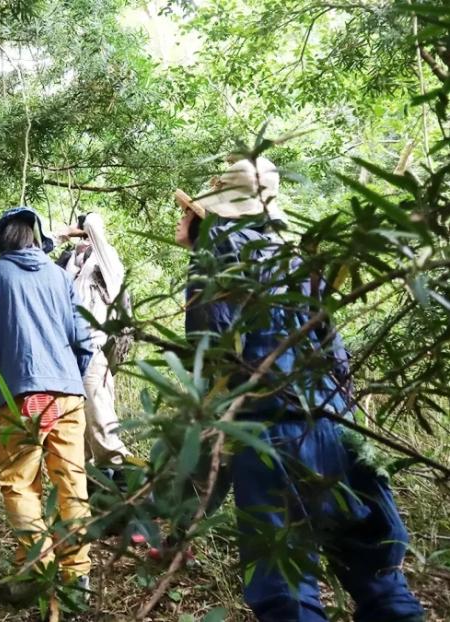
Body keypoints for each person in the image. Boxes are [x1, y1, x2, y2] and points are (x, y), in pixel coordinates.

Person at [174, 156, 424, 622]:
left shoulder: (217, 259)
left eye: (190, 211)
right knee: (377, 572)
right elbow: (336, 352)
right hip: (335, 427)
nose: (182, 218)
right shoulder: (295, 258)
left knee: (286, 589)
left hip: (270, 432)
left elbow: (215, 356)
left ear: (213, 214)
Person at [0, 206, 95, 592]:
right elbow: (84, 340)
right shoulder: (59, 275)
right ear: (36, 239)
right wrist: (68, 379)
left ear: (2, 242)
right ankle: (78, 574)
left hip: (22, 395)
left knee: (20, 483)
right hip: (68, 394)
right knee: (72, 482)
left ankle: (37, 572)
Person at [56, 213, 132, 472]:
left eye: (85, 237)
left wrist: (83, 227)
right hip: (66, 356)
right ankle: (96, 496)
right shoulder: (68, 264)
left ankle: (126, 478)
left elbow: (95, 226)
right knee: (78, 433)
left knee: (102, 425)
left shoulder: (107, 263)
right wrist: (62, 236)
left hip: (95, 351)